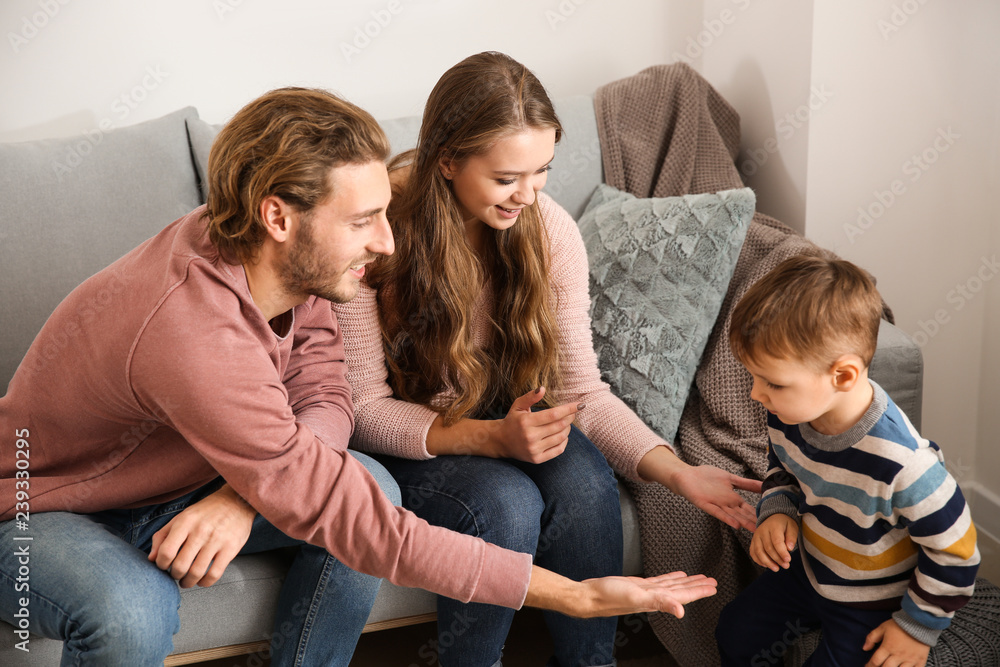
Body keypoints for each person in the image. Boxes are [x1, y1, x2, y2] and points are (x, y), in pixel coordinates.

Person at [0, 87, 719, 665]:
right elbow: (369, 526)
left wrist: (244, 489)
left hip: (183, 481)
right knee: (131, 610)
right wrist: (573, 596)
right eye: (364, 220)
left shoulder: (281, 263)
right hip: (41, 508)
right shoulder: (194, 333)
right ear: (278, 216)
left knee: (367, 480)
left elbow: (327, 397)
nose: (386, 241)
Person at [333, 52, 760, 667]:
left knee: (585, 483)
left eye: (543, 172)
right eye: (508, 177)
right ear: (447, 161)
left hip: (496, 416)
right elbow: (362, 408)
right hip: (404, 433)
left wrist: (677, 471)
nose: (529, 195)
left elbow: (581, 391)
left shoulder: (547, 229)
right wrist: (487, 438)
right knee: (505, 504)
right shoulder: (378, 236)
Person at [715, 254, 980, 666]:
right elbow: (783, 466)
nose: (756, 394)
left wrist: (916, 628)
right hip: (809, 570)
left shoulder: (904, 465)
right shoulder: (788, 414)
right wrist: (778, 510)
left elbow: (957, 551)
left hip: (875, 600)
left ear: (843, 376)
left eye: (772, 382)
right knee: (734, 631)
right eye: (754, 377)